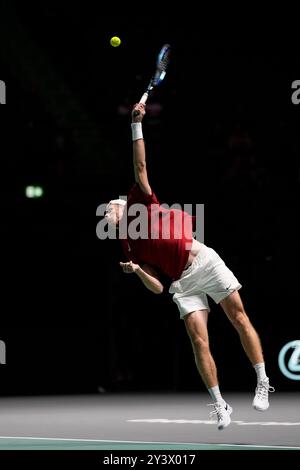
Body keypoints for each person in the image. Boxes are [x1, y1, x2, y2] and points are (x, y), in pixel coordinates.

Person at [105, 102, 274, 430]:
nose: (106, 213)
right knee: (199, 341)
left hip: (206, 263)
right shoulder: (127, 245)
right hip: (182, 283)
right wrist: (139, 271)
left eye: (109, 208)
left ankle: (263, 380)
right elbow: (157, 288)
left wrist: (136, 125)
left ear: (123, 206)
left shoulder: (141, 200)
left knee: (239, 318)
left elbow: (140, 165)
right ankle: (220, 404)